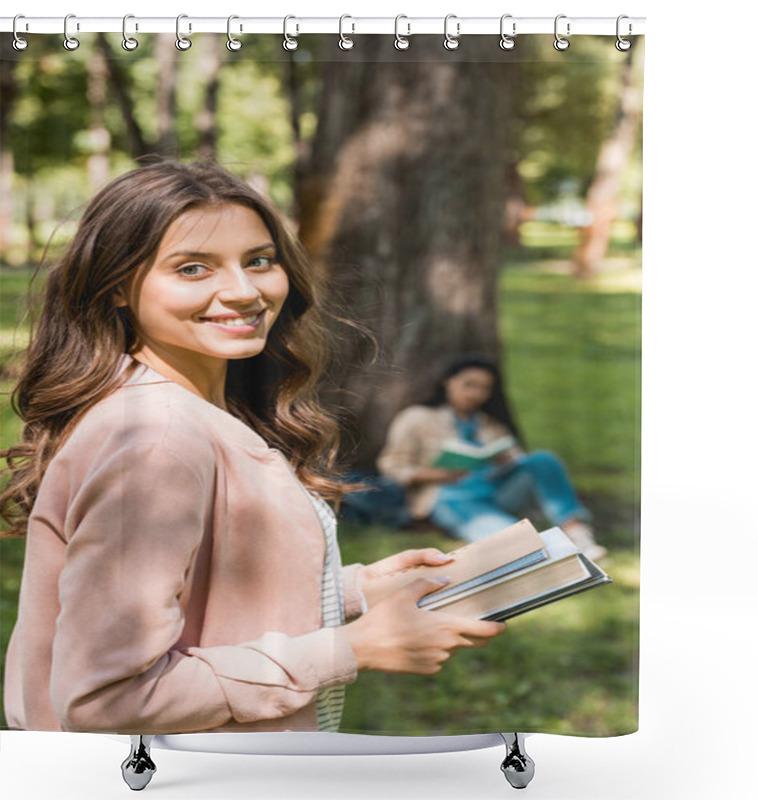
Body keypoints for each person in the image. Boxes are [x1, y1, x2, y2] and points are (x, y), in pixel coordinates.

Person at [0, 160, 506, 735]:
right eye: (193, 268)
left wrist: (352, 591)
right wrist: (351, 649)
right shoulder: (155, 440)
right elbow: (103, 700)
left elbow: (198, 598)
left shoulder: (194, 409)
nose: (243, 292)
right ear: (117, 286)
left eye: (259, 261)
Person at [377, 354, 607, 559]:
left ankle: (576, 532)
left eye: (484, 388)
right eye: (469, 385)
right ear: (448, 381)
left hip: (496, 490)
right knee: (519, 545)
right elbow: (391, 465)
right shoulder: (417, 417)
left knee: (542, 460)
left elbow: (517, 458)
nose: (475, 393)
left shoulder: (492, 424)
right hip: (448, 496)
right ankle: (543, 550)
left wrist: (507, 460)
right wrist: (440, 474)